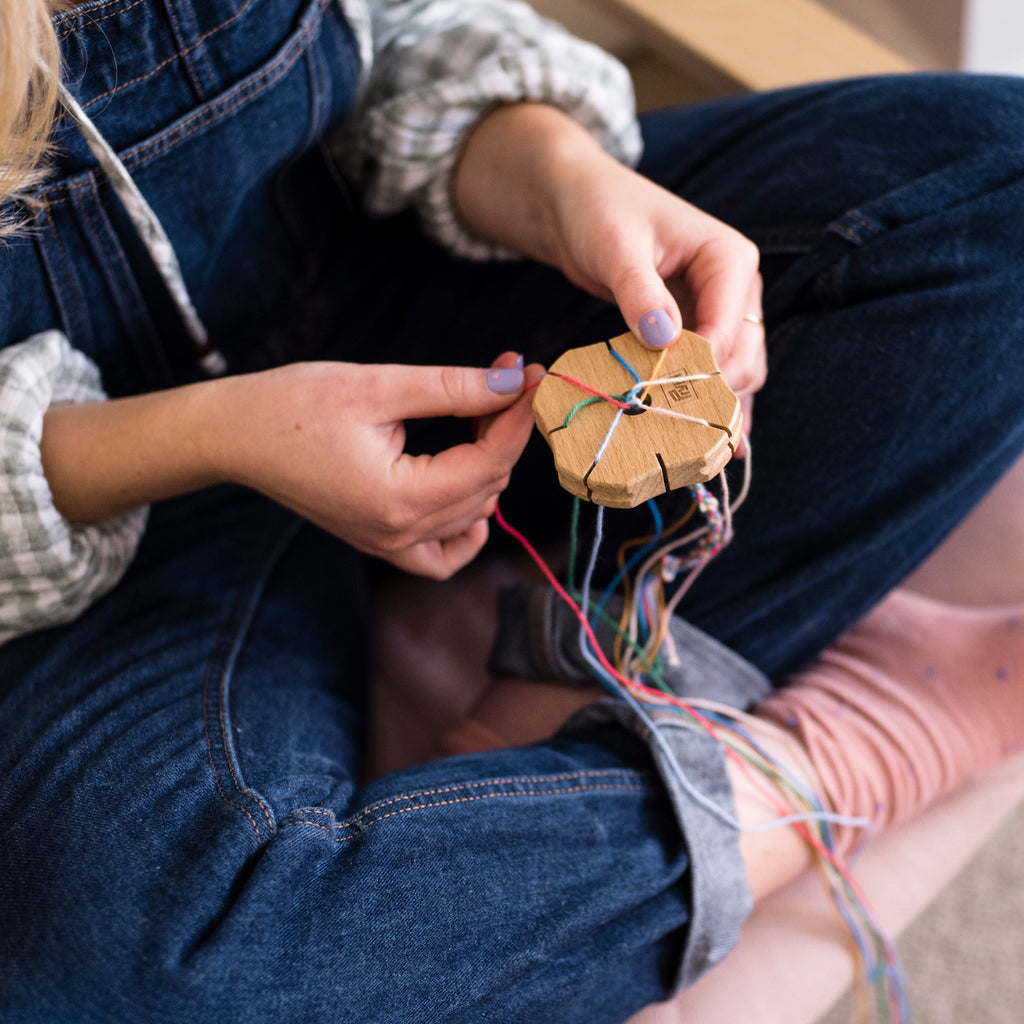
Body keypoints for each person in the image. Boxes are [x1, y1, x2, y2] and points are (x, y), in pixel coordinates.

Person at [0, 1, 1021, 1021]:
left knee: (1000, 178)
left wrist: (552, 176)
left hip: (388, 270)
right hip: (104, 511)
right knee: (143, 974)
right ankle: (827, 762)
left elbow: (396, 22)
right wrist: (210, 434)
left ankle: (588, 666)